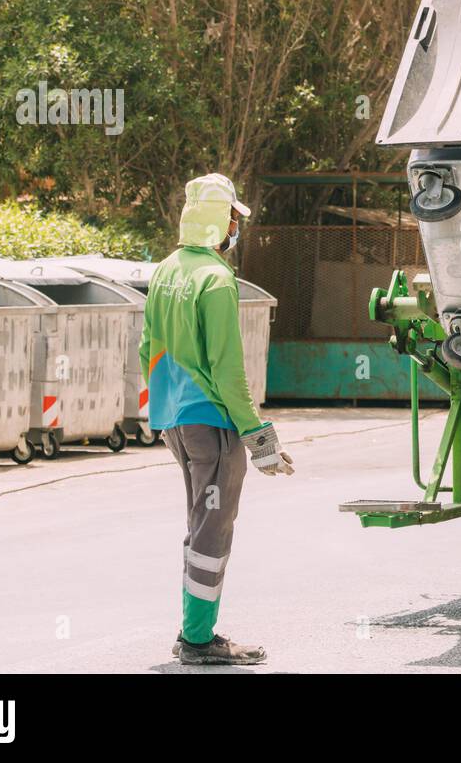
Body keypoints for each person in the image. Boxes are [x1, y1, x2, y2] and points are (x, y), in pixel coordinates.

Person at [140, 173, 294, 666]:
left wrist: (161, 413)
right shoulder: (216, 280)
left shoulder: (166, 271)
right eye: (233, 216)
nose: (236, 226)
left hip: (175, 422)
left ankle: (194, 629)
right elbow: (229, 374)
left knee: (199, 521)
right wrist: (261, 441)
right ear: (218, 220)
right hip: (211, 423)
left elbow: (148, 348)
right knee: (212, 529)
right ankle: (198, 641)